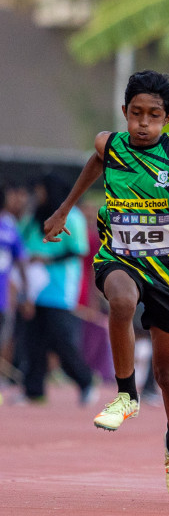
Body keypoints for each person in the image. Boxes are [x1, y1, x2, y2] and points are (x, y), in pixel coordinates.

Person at [43, 71, 169, 502]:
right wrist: (64, 211)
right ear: (124, 113)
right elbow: (96, 163)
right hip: (119, 255)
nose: (143, 124)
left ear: (168, 119)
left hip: (168, 267)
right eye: (136, 114)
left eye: (154, 116)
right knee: (121, 299)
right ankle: (126, 394)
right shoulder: (109, 144)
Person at [23, 174, 98, 407]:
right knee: (33, 340)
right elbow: (22, 244)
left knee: (61, 341)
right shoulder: (33, 217)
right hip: (34, 290)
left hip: (59, 290)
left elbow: (78, 250)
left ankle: (85, 381)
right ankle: (33, 391)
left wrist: (47, 259)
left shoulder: (72, 217)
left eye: (42, 190)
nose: (38, 195)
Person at [0, 181, 31, 390]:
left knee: (4, 338)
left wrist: (25, 294)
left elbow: (21, 263)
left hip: (3, 297)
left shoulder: (10, 227)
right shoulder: (10, 227)